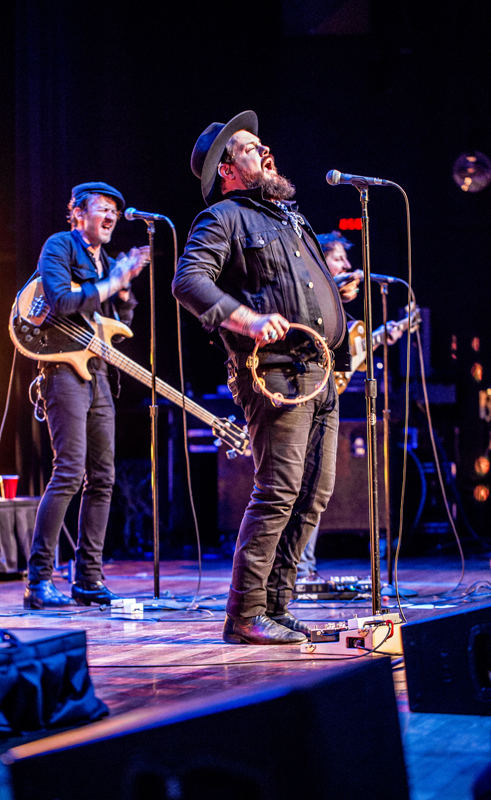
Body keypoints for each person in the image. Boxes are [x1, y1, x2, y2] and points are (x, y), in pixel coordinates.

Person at [172, 111, 355, 644]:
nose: (264, 151)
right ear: (227, 169)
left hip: (320, 372)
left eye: (260, 145)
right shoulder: (223, 217)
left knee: (313, 495)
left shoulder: (287, 218)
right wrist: (245, 318)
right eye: (250, 149)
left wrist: (332, 294)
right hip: (275, 375)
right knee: (277, 491)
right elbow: (189, 282)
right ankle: (245, 612)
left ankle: (276, 605)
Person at [24, 182, 149, 609]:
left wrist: (126, 288)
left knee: (104, 478)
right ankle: (38, 581)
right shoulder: (60, 246)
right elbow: (59, 301)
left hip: (98, 375)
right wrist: (112, 281)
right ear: (78, 214)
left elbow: (120, 322)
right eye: (103, 208)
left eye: (116, 209)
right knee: (69, 472)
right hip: (62, 371)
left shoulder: (110, 261)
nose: (112, 216)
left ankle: (88, 580)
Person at [296, 230, 403, 579]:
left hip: (324, 397)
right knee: (294, 486)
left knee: (316, 488)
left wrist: (382, 337)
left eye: (346, 259)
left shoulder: (341, 313)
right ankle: (293, 570)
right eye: (339, 258)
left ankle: (302, 569)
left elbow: (342, 359)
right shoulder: (305, 292)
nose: (348, 265)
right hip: (299, 396)